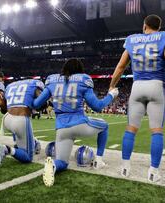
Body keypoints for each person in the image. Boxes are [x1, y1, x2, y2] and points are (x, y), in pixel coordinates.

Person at [109, 14, 165, 182]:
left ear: (144, 26)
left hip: (137, 86)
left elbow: (120, 66)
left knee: (130, 129)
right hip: (156, 85)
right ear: (158, 28)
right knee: (157, 131)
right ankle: (153, 172)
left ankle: (125, 168)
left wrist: (112, 85)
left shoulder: (132, 39)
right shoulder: (164, 37)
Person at [33, 59, 118, 187]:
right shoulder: (83, 80)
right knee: (104, 126)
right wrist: (111, 95)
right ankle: (99, 160)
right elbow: (97, 106)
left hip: (61, 129)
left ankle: (53, 165)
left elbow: (36, 104)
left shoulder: (52, 81)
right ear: (80, 70)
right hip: (80, 124)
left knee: (62, 162)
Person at [0, 78, 44, 165]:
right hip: (20, 119)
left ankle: (22, 144)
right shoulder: (35, 84)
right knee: (28, 157)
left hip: (7, 118)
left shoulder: (10, 85)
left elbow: (3, 108)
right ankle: (7, 149)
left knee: (21, 136)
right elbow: (41, 104)